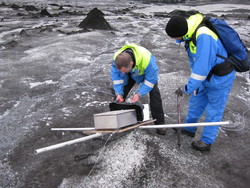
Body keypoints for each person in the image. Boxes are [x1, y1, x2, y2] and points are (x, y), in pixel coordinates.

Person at [165, 13, 235, 151]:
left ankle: (206, 141)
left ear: (181, 32)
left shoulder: (203, 36)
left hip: (220, 78)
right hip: (205, 78)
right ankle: (189, 129)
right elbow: (197, 65)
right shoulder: (190, 34)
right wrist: (194, 86)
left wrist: (187, 88)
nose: (176, 41)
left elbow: (201, 69)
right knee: (195, 104)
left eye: (175, 37)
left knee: (214, 110)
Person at [111, 43, 166, 135]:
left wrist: (139, 94)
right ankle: (117, 119)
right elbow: (117, 78)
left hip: (145, 74)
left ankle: (160, 124)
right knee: (119, 96)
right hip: (131, 73)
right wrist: (119, 93)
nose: (122, 72)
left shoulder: (148, 61)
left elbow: (150, 81)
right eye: (121, 71)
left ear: (131, 64)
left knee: (155, 94)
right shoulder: (117, 60)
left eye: (124, 70)